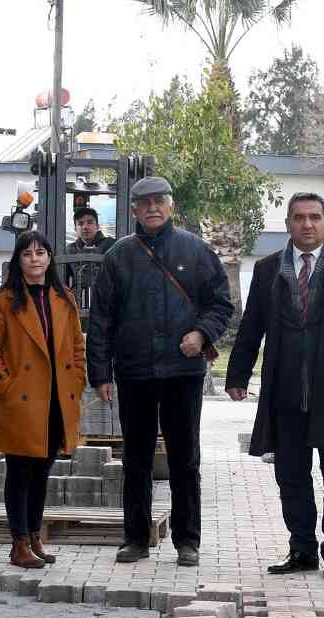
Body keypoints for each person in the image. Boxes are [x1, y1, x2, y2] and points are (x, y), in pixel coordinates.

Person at [226, 193, 324, 582]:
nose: (307, 224)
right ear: (288, 223)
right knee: (291, 477)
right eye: (299, 218)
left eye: (315, 217)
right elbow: (251, 328)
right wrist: (238, 376)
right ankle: (301, 549)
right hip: (286, 391)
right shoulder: (267, 269)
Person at [88, 176, 233, 568]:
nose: (152, 207)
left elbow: (221, 302)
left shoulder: (196, 250)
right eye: (144, 202)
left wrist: (202, 334)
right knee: (135, 460)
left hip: (182, 373)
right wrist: (100, 373)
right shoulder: (119, 256)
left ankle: (188, 541)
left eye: (159, 201)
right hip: (134, 373)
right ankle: (135, 538)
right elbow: (101, 318)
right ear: (134, 210)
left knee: (186, 459)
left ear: (171, 206)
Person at [0, 231, 85, 569]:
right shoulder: (5, 299)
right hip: (22, 400)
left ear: (50, 257)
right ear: (18, 260)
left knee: (42, 471)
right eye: (27, 253)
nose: (35, 258)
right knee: (20, 472)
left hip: (57, 398)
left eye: (41, 252)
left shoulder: (64, 297)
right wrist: (6, 388)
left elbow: (77, 346)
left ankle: (35, 535)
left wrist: (77, 380)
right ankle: (18, 541)